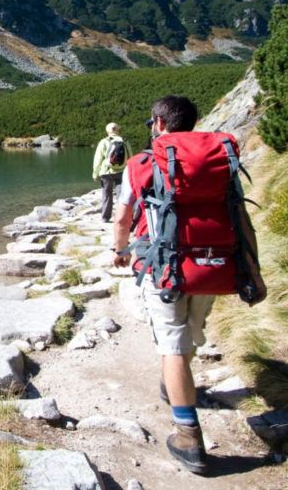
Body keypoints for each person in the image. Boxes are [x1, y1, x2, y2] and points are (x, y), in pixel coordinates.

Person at [110, 95, 211, 474]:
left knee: (171, 343)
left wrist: (120, 251)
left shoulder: (142, 164)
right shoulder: (214, 161)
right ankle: (177, 383)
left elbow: (123, 218)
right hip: (211, 265)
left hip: (165, 267)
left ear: (158, 124)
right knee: (189, 336)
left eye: (152, 124)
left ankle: (188, 436)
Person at [92, 122, 131, 222]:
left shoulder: (104, 142)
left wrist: (95, 173)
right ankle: (122, 216)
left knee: (107, 195)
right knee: (121, 195)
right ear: (118, 130)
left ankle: (105, 217)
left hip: (106, 171)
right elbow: (131, 157)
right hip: (122, 171)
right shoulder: (125, 141)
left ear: (107, 131)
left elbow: (98, 159)